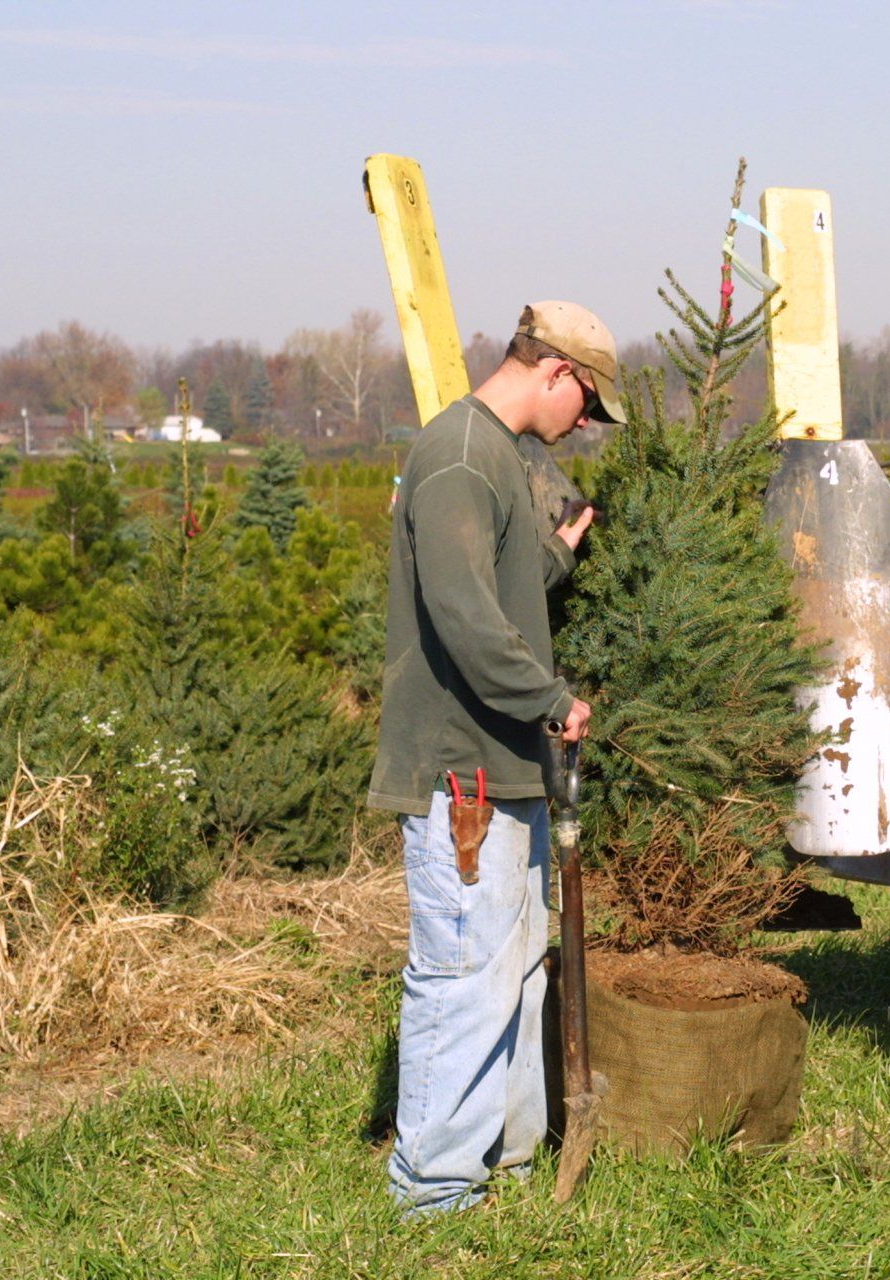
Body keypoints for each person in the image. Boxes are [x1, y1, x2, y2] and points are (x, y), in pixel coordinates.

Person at [366, 300, 625, 1217]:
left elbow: (497, 585)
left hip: (506, 770)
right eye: (587, 405)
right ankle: (433, 1193)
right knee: (464, 977)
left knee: (513, 976)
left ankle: (504, 1167)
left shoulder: (499, 461)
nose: (583, 427)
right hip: (461, 776)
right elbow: (466, 618)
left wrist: (553, 556)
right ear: (555, 371)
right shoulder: (460, 456)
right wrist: (551, 700)